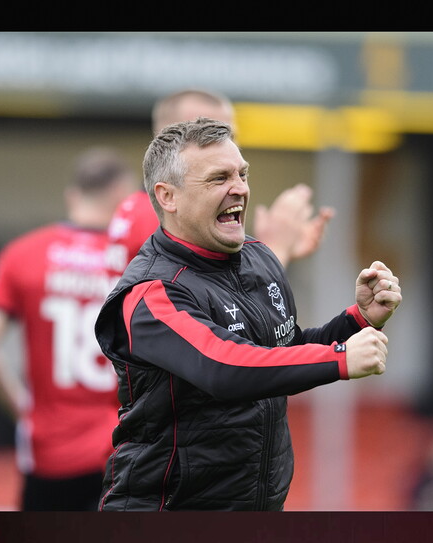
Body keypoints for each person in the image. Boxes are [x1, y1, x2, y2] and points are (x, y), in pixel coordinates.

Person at [94, 118, 402, 511]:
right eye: (218, 178)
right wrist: (341, 358)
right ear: (168, 197)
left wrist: (356, 321)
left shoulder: (258, 257)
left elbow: (281, 354)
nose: (239, 188)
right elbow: (225, 367)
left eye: (242, 174)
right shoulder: (152, 293)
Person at [0, 147, 137, 511]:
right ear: (123, 199)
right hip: (121, 448)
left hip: (48, 453)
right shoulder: (138, 259)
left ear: (73, 195)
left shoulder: (24, 253)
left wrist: (23, 411)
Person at [105, 88, 334, 275]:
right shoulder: (159, 218)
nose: (222, 142)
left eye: (228, 134)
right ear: (169, 138)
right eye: (203, 130)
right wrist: (276, 250)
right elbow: (226, 318)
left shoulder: (140, 207)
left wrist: (271, 250)